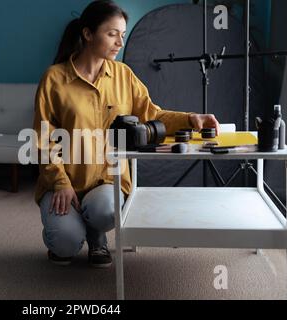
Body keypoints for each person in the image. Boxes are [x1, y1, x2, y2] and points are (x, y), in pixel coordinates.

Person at [33, 0, 220, 268]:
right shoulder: (54, 79)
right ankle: (69, 234)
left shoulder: (124, 75)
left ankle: (97, 235)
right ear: (87, 34)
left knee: (107, 211)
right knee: (64, 243)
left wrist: (191, 118)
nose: (119, 42)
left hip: (108, 180)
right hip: (65, 181)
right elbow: (43, 138)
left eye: (122, 34)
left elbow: (152, 114)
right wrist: (60, 182)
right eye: (112, 34)